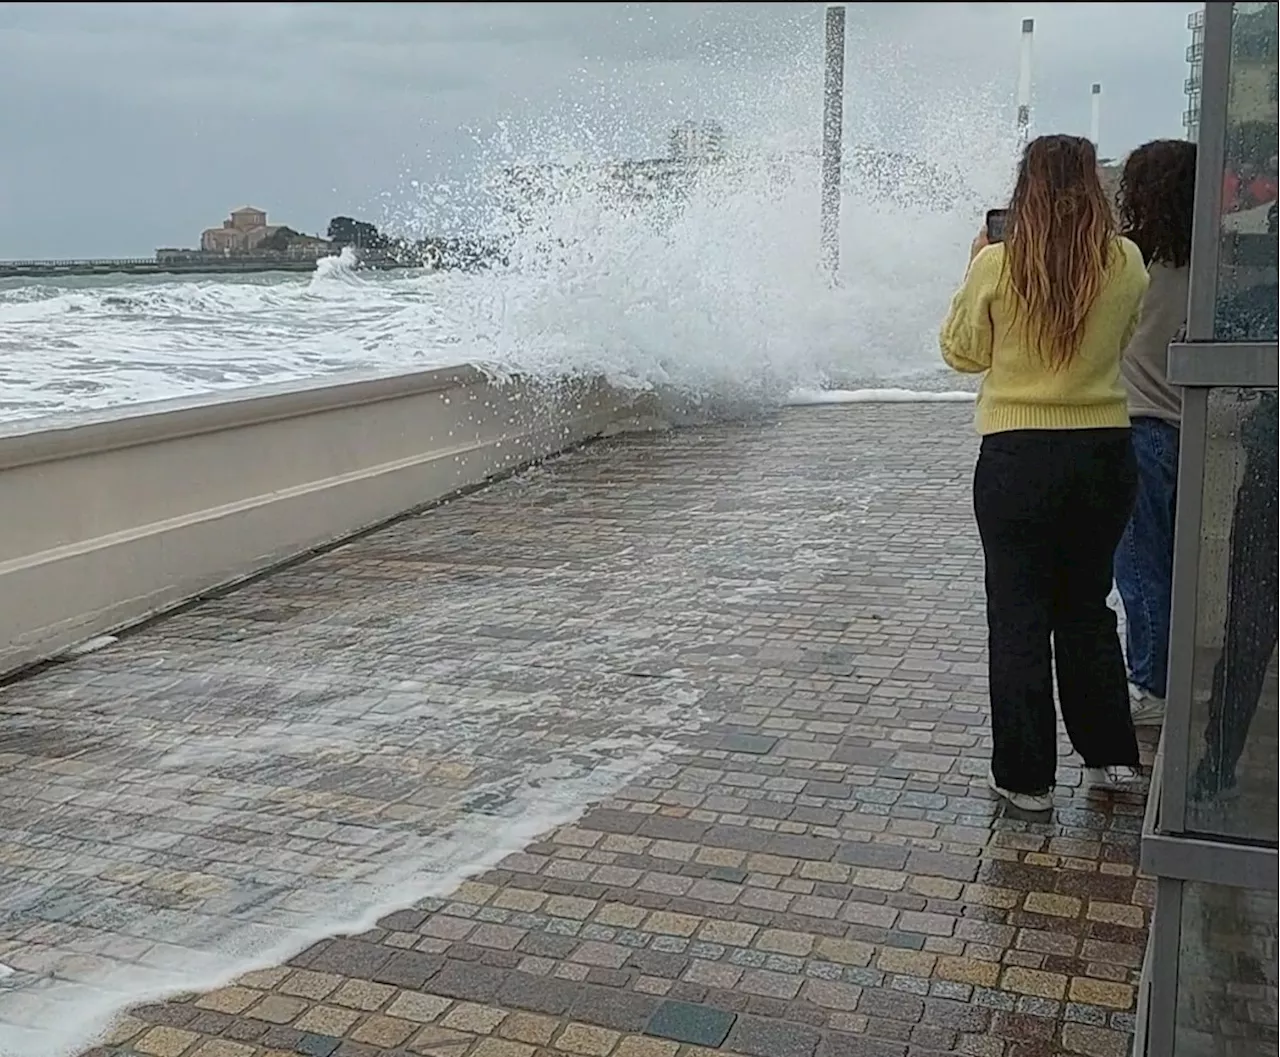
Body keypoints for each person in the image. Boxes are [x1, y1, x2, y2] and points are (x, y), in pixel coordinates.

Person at [940, 134, 1149, 813]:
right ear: (1093, 187)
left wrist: (975, 264)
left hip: (1017, 455)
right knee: (1086, 606)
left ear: (1023, 188)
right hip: (1102, 452)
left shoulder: (998, 263)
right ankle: (1111, 755)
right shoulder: (1126, 262)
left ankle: (1026, 778)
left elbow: (962, 354)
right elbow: (1118, 344)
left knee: (1019, 614)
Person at [1112, 139, 1198, 727]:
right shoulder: (1211, 260)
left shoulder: (1130, 260)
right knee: (1170, 565)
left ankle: (1152, 685)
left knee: (1140, 569)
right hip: (1189, 423)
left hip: (1137, 426)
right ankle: (1165, 674)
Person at [1191, 391, 1278, 803]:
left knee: (1248, 633)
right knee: (1247, 634)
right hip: (1268, 487)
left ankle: (1217, 763)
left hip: (1267, 485)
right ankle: (1217, 761)